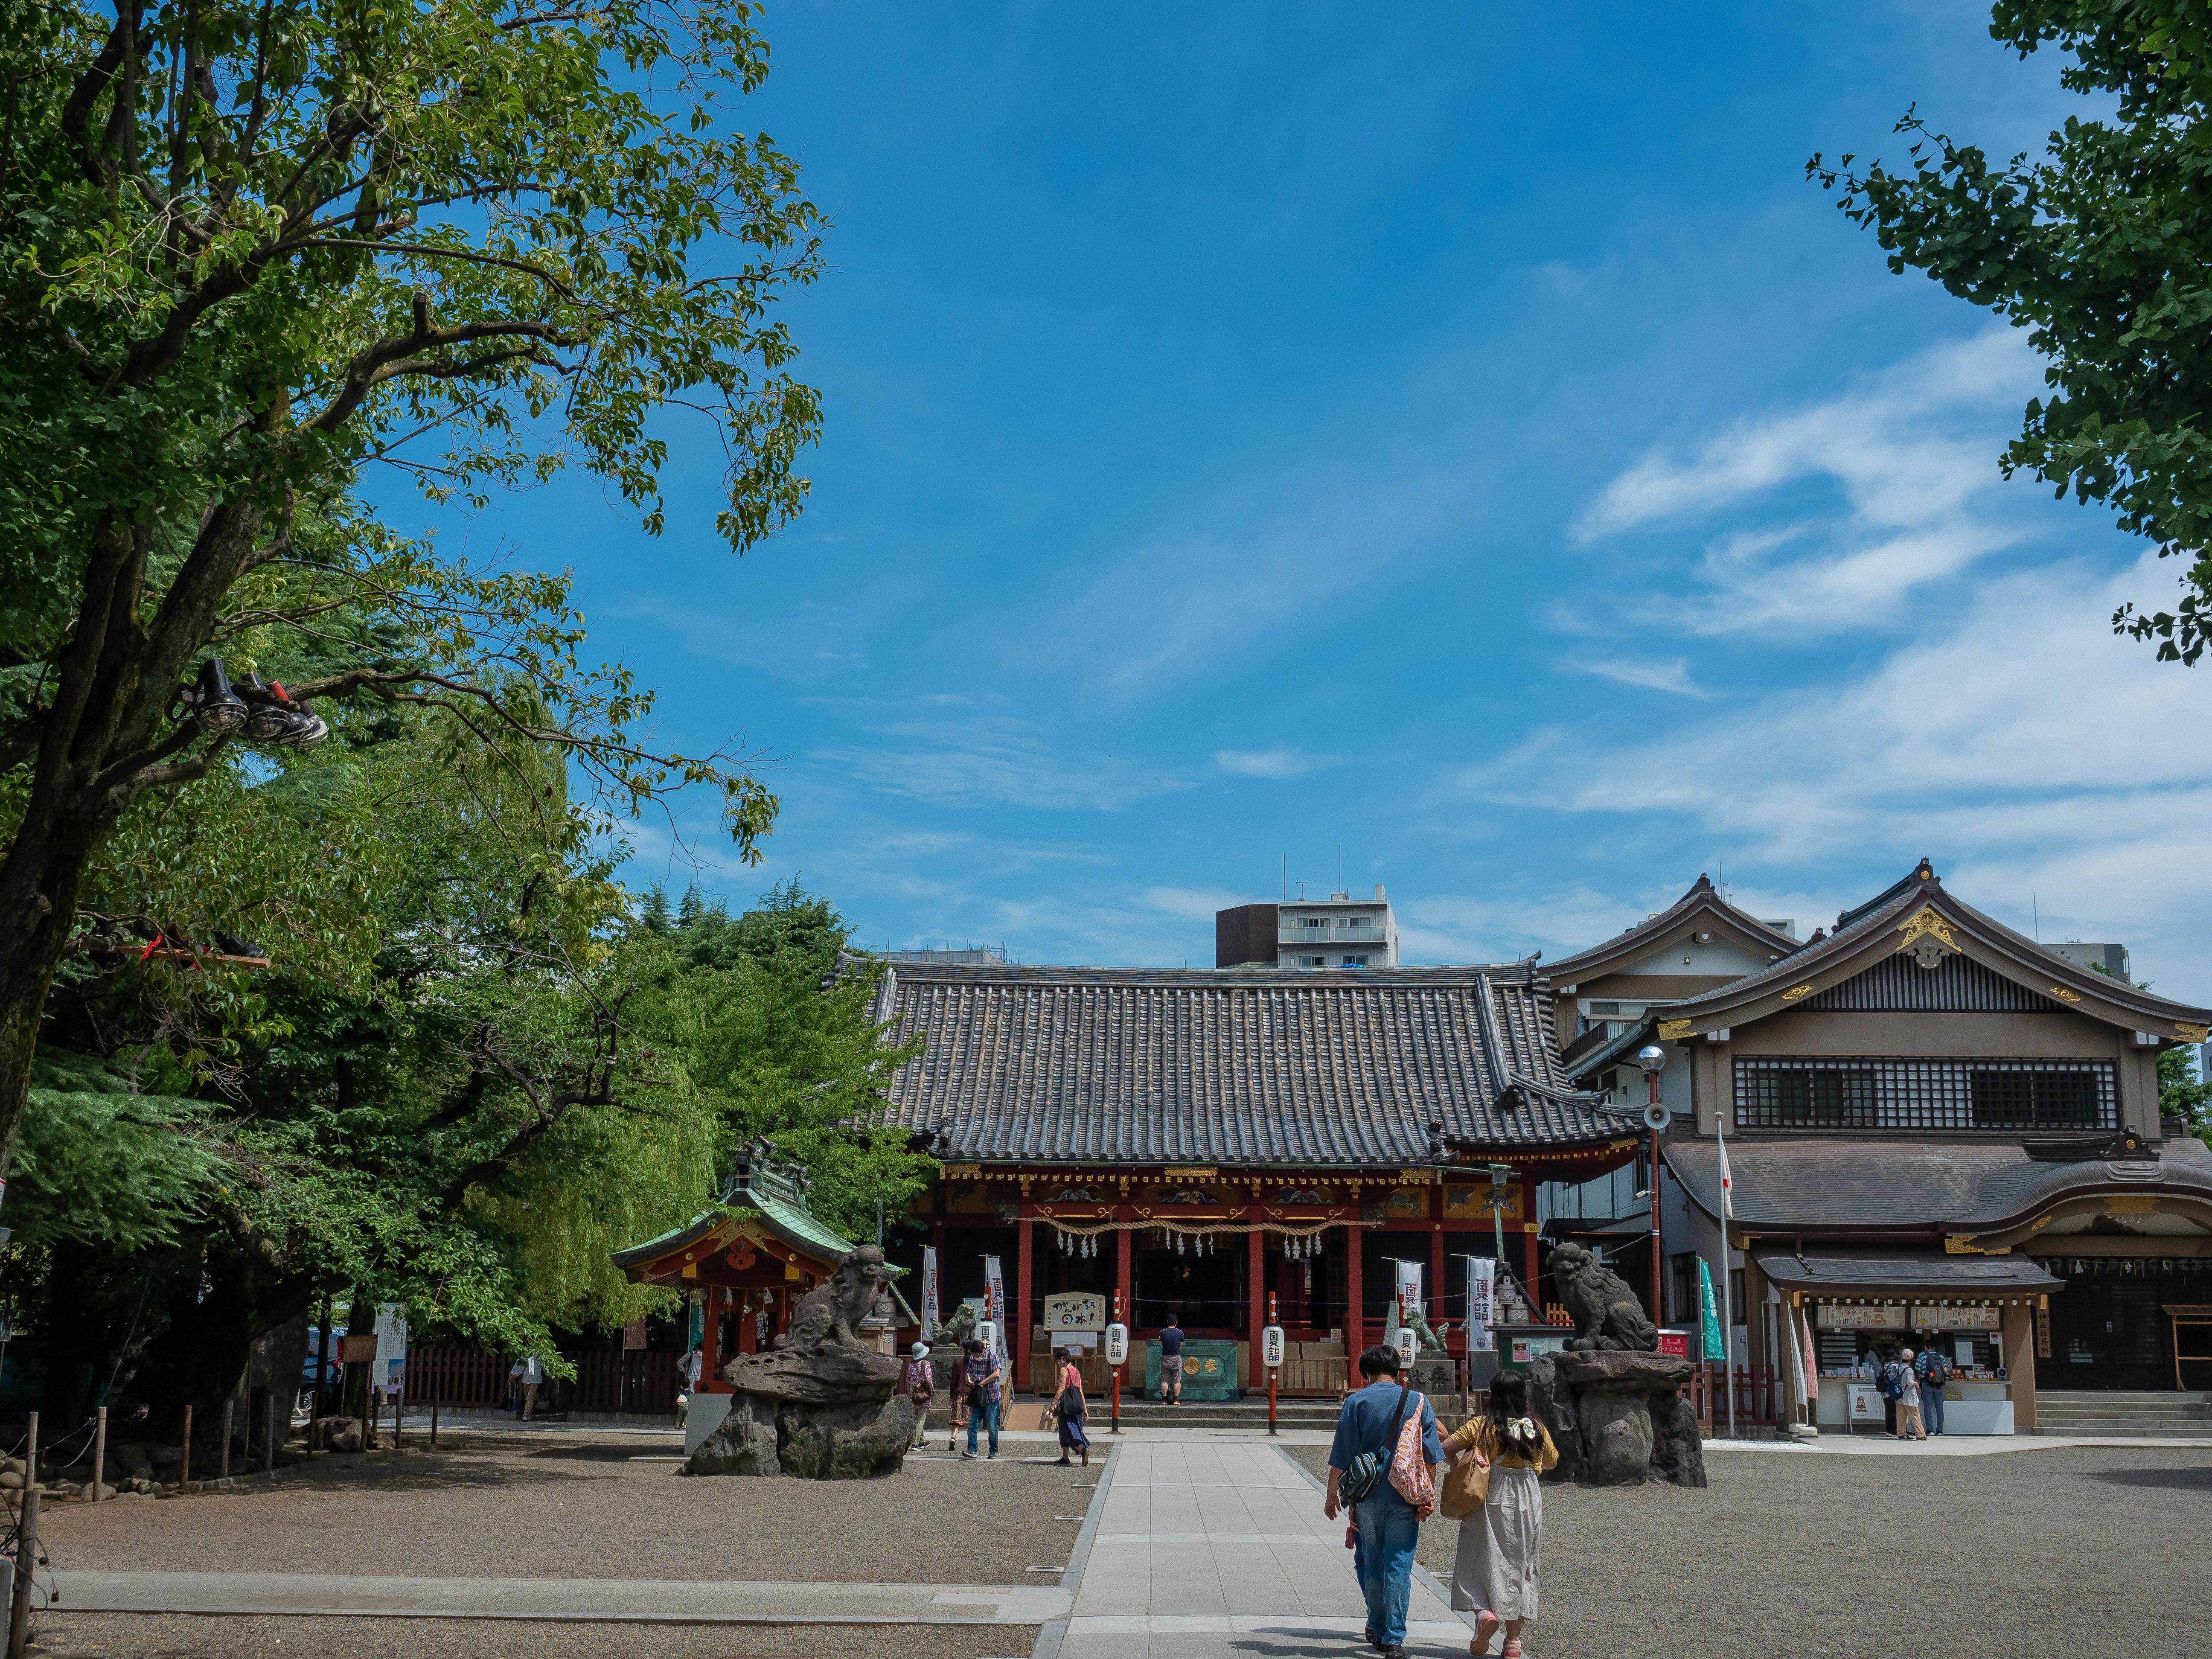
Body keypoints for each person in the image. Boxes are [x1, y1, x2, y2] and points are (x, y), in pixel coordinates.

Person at [1323, 1345, 1441, 1659]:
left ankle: (1376, 1624)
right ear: (1398, 1370)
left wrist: (1332, 1494)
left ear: (1365, 1373)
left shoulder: (1356, 1402)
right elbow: (1430, 1456)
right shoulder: (1418, 1401)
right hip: (1405, 1499)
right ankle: (1394, 1640)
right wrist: (1426, 1497)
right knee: (1398, 1566)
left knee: (1371, 1562)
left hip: (1367, 1500)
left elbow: (1341, 1456)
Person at [1443, 1370, 1558, 1659]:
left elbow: (1445, 1448)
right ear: (1522, 1395)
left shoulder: (1481, 1426)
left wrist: (1460, 1466)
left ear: (1493, 1393)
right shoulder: (1533, 1427)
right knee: (1522, 1564)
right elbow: (1553, 1462)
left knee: (1480, 1555)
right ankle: (1513, 1643)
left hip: (1489, 1491)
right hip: (1527, 1498)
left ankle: (1484, 1614)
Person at [961, 1337, 1003, 1460]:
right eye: (974, 1355)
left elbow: (996, 1374)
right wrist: (970, 1381)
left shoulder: (993, 1357)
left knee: (992, 1426)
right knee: (973, 1424)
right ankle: (972, 1449)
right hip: (978, 1397)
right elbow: (969, 1373)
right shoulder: (973, 1360)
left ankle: (993, 1449)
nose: (976, 1357)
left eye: (978, 1355)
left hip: (992, 1396)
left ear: (984, 1351)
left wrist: (982, 1382)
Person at [1051, 1347, 1091, 1467]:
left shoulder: (1064, 1370)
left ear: (1063, 1359)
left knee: (1067, 1429)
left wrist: (1053, 1404)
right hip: (1077, 1405)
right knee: (1070, 1429)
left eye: (1058, 1360)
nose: (1058, 1362)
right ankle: (1065, 1457)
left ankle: (1082, 1449)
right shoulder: (1077, 1371)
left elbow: (1062, 1388)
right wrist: (1085, 1409)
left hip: (1067, 1405)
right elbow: (1081, 1391)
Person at [899, 1342, 935, 1449]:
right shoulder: (926, 1364)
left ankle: (921, 1441)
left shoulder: (911, 1365)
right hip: (924, 1395)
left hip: (914, 1396)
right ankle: (915, 1443)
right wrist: (931, 1391)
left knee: (918, 1418)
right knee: (921, 1420)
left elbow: (908, 1381)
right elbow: (929, 1380)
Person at [1916, 1343, 1951, 1437]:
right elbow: (1946, 1370)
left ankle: (1930, 1430)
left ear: (1925, 1347)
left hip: (1927, 1383)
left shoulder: (1922, 1355)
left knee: (1928, 1408)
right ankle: (1940, 1430)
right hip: (1939, 1385)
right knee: (1940, 1408)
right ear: (1935, 1348)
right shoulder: (1941, 1356)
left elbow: (1918, 1369)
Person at [1892, 1348, 1926, 1440]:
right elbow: (1910, 1382)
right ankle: (1921, 1435)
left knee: (1901, 1417)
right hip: (1909, 1397)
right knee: (1915, 1415)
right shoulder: (1909, 1370)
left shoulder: (1899, 1367)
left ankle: (1901, 1434)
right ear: (1911, 1359)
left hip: (1900, 1396)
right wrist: (1916, 1384)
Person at [1158, 1312, 1185, 1404]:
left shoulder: (1162, 1333)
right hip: (1177, 1358)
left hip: (1165, 1357)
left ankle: (1164, 1400)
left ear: (1167, 1322)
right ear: (1176, 1322)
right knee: (1177, 1380)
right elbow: (1181, 1345)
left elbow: (1161, 1343)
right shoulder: (1180, 1333)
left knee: (1164, 1380)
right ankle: (1176, 1400)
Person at [510, 1353, 544, 1421]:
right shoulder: (527, 1352)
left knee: (530, 1398)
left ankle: (526, 1415)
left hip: (536, 1380)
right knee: (527, 1398)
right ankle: (530, 1413)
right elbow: (520, 1364)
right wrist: (514, 1375)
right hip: (527, 1379)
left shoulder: (541, 1353)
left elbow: (547, 1366)